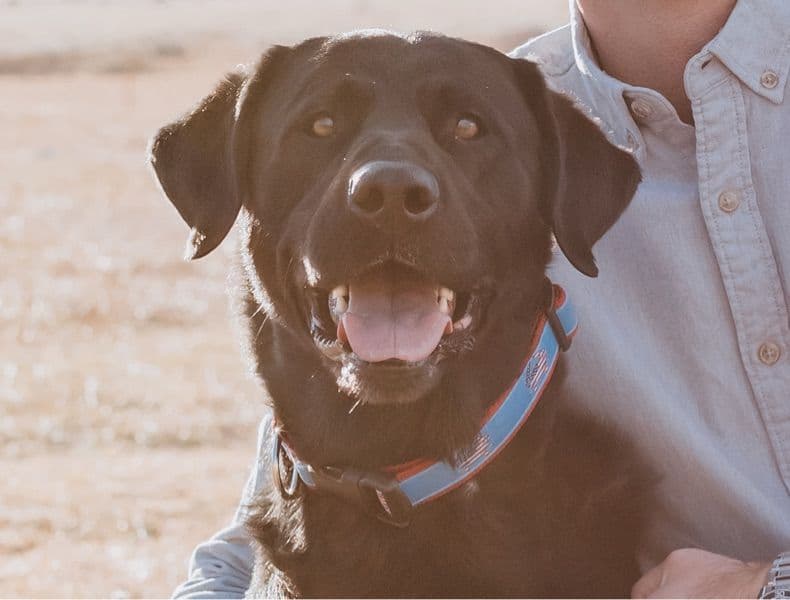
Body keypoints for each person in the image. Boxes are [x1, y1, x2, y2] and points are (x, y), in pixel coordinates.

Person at [173, 0, 790, 597]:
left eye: (465, 132)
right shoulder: (517, 106)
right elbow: (254, 538)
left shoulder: (524, 122)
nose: (393, 181)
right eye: (321, 126)